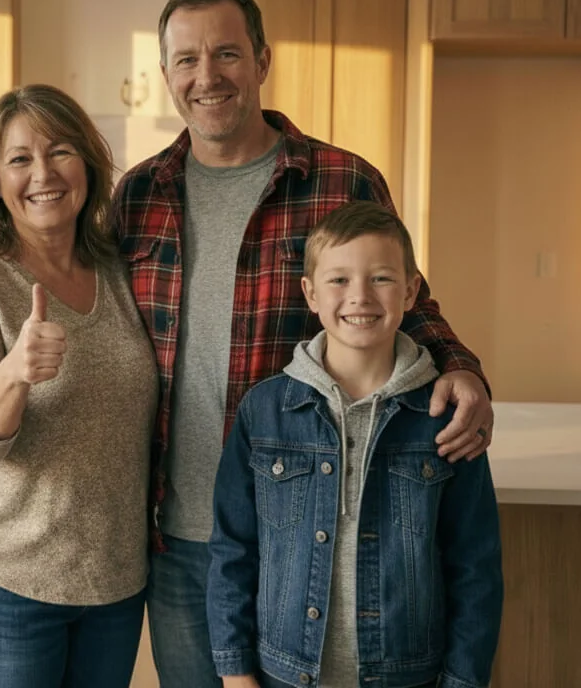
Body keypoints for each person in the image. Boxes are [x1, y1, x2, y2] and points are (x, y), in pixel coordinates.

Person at [112, 0, 496, 687]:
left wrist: (461, 368)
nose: (207, 75)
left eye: (227, 53)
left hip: (304, 532)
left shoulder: (341, 180)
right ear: (165, 73)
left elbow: (406, 299)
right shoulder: (137, 195)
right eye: (187, 59)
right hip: (178, 535)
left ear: (262, 59)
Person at [207, 201, 503, 688]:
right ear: (310, 293)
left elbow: (475, 566)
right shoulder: (264, 411)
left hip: (409, 677)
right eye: (339, 280)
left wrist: (462, 680)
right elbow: (233, 550)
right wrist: (236, 674)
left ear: (410, 291)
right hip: (283, 673)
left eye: (381, 278)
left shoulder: (446, 418)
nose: (359, 296)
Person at [0, 84, 158, 687]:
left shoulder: (120, 271)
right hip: (6, 585)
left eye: (59, 151)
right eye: (19, 159)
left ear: (87, 163)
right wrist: (15, 371)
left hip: (113, 583)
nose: (43, 174)